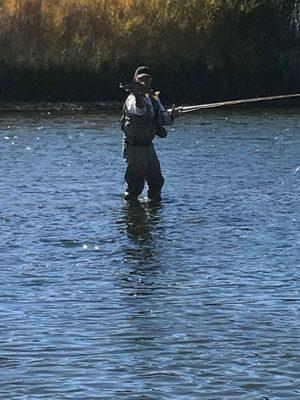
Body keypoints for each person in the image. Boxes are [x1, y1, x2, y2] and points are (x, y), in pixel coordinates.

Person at [121, 66, 178, 203]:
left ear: (151, 80)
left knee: (156, 181)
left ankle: (154, 213)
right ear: (135, 80)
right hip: (134, 148)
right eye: (141, 79)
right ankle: (132, 215)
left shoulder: (154, 98)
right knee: (135, 186)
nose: (145, 82)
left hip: (148, 147)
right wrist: (136, 95)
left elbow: (166, 121)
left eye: (147, 79)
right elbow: (140, 111)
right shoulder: (131, 100)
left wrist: (172, 116)